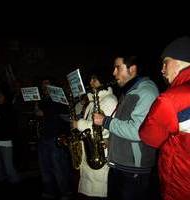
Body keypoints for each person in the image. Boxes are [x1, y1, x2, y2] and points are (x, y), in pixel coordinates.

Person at [93, 56, 159, 200]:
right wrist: (112, 142)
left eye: (118, 67)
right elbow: (125, 127)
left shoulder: (146, 92)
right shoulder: (130, 92)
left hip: (133, 170)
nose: (113, 72)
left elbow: (138, 131)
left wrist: (105, 121)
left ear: (132, 69)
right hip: (120, 165)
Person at [139, 36, 190, 200]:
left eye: (165, 62)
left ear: (180, 60)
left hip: (181, 187)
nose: (162, 69)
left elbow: (149, 137)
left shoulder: (171, 99)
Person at [72, 72, 118, 200]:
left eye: (95, 79)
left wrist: (79, 124)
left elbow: (102, 127)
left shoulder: (109, 100)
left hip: (99, 151)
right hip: (90, 148)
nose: (91, 82)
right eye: (91, 79)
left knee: (97, 190)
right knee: (89, 190)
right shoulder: (92, 101)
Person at [35, 78, 74, 200]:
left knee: (59, 167)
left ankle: (65, 192)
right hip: (43, 137)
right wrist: (36, 107)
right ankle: (49, 191)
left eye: (47, 84)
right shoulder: (42, 100)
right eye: (43, 84)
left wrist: (42, 112)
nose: (45, 87)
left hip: (55, 137)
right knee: (45, 167)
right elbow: (38, 114)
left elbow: (63, 113)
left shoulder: (58, 99)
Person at [0, 90, 20, 186]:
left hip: (5, 140)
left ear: (5, 97)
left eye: (0, 95)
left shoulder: (9, 107)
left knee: (8, 165)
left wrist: (0, 118)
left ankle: (15, 181)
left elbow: (12, 123)